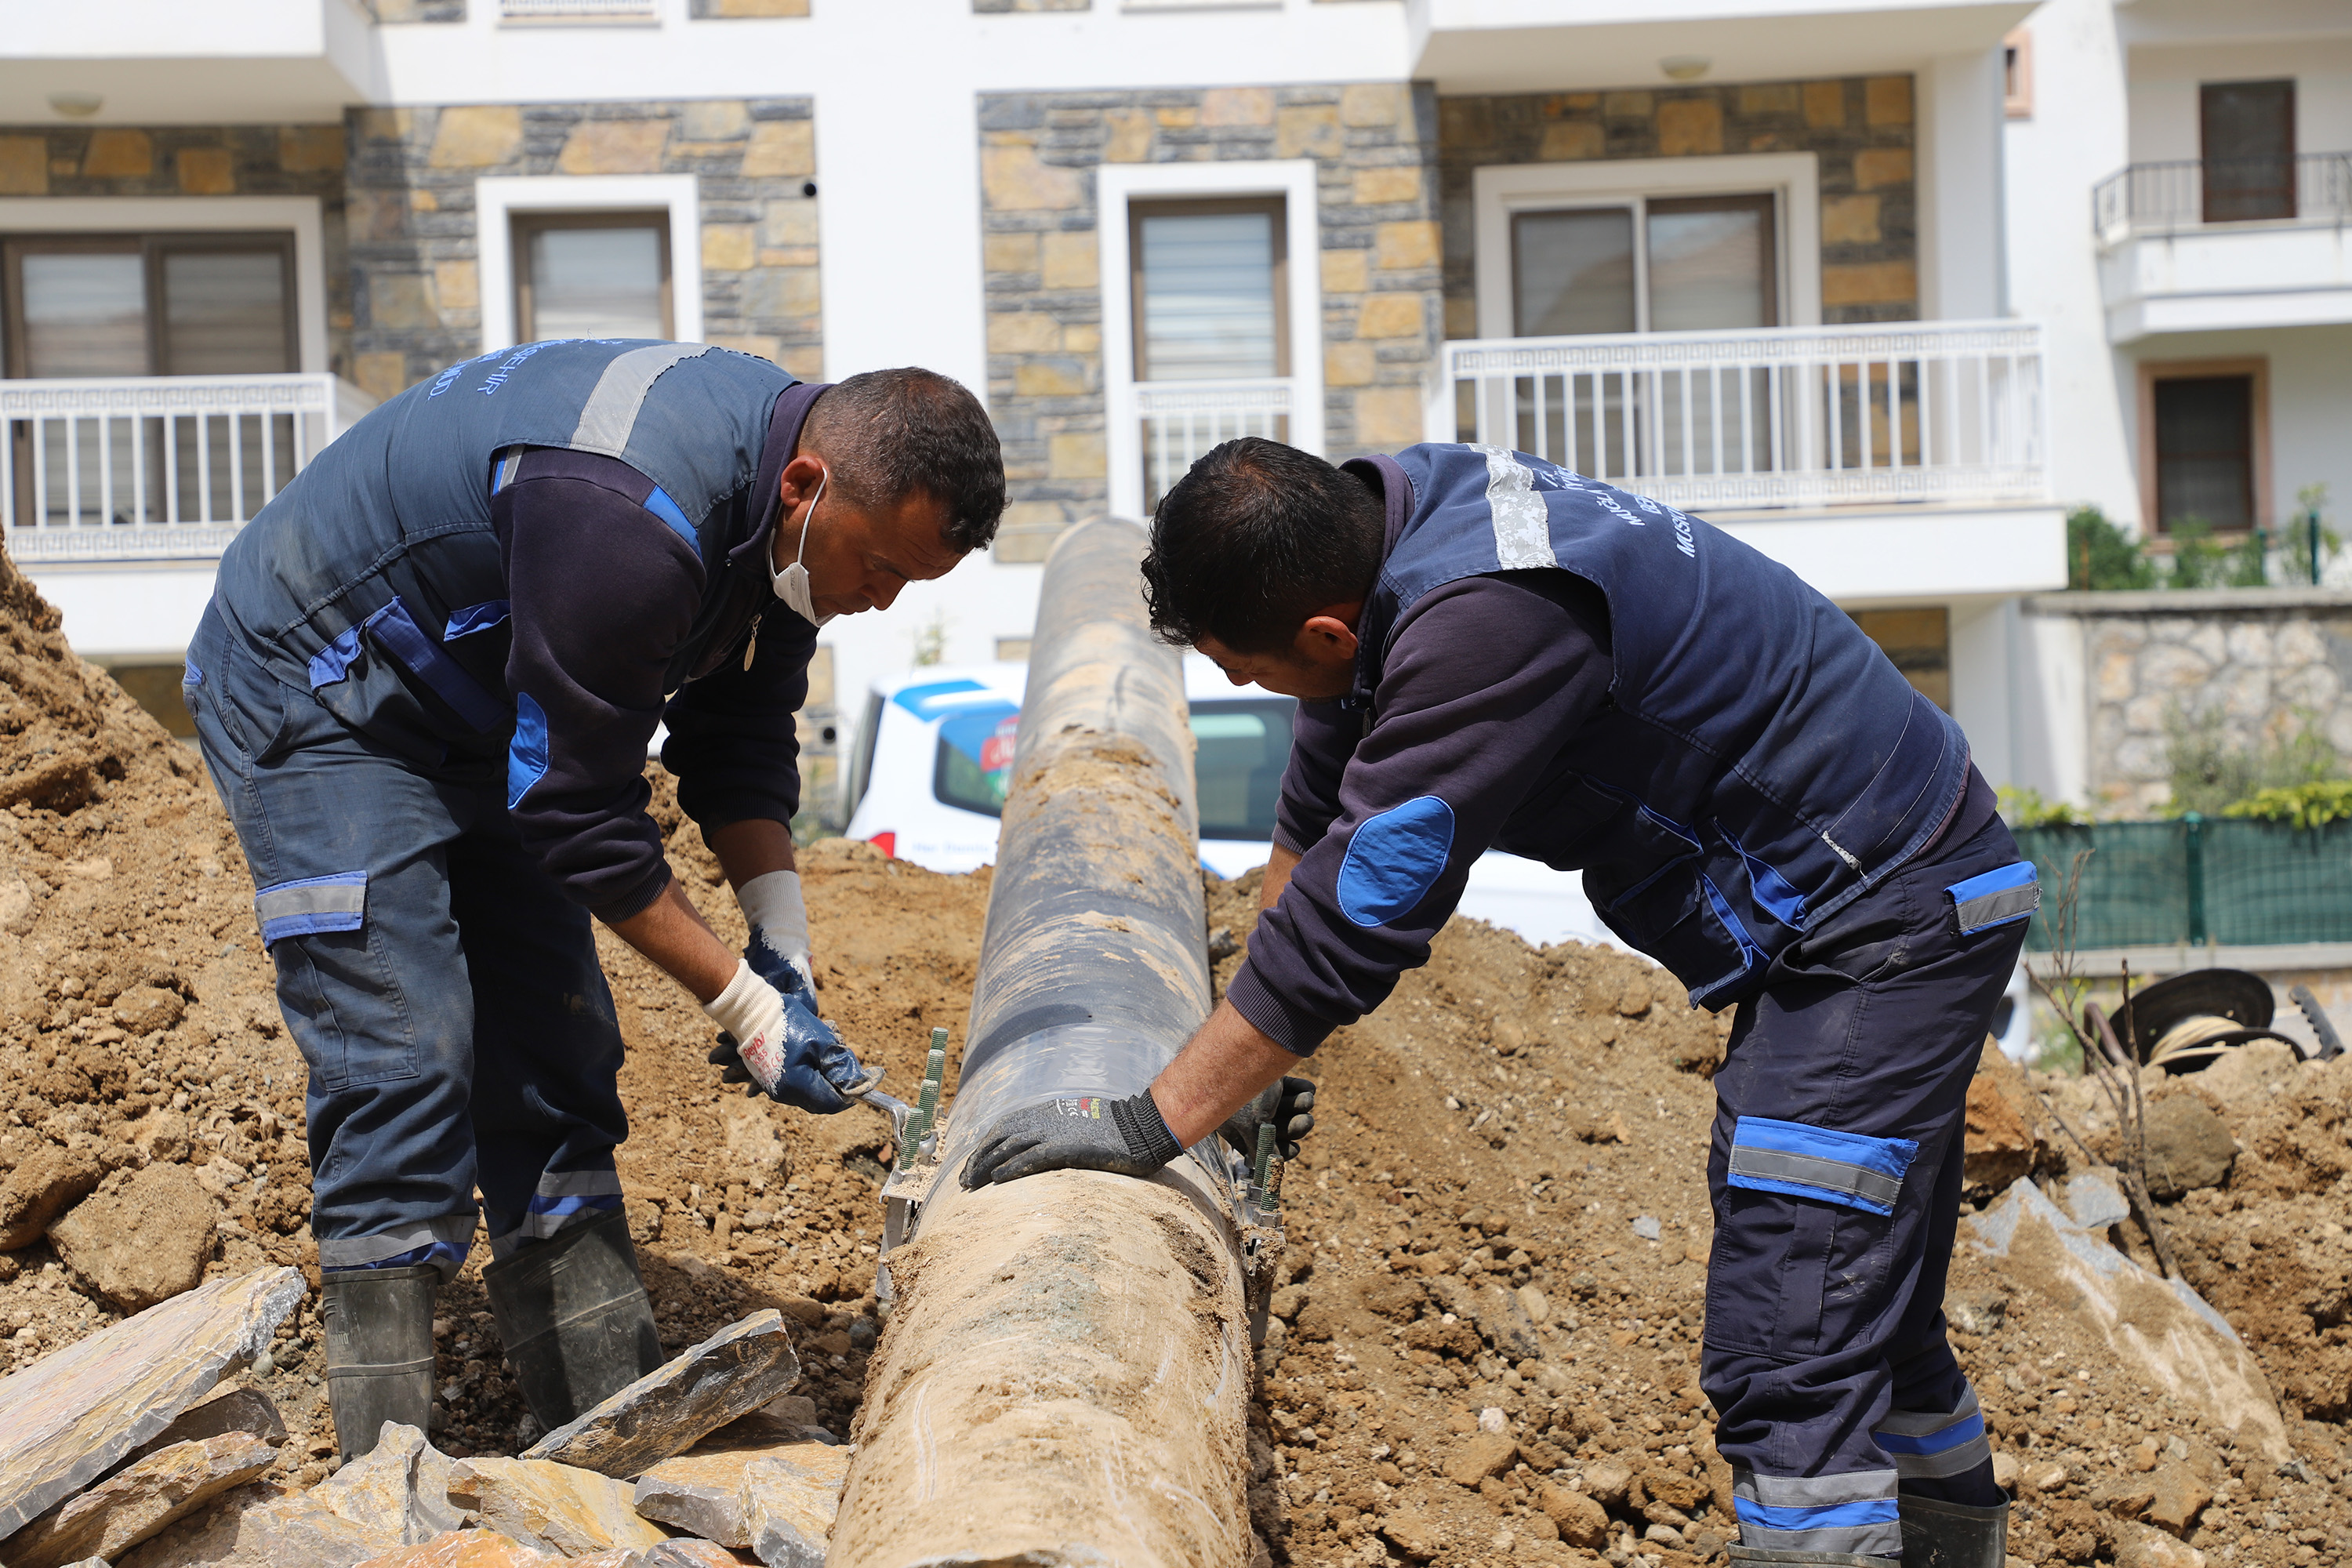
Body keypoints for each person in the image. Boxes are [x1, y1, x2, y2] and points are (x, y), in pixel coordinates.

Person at [961, 437, 2033, 1568]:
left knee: (1795, 1313)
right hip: (1872, 885)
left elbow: (1360, 914)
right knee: (1864, 1291)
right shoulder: (1388, 526)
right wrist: (1237, 1078)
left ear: (1325, 630)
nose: (1253, 694)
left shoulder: (1486, 623)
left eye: (1251, 673)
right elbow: (1321, 805)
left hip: (1885, 908)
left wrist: (1151, 1119)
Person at [186, 343, 1004, 1460]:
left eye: (910, 582)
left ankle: (605, 1437)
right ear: (808, 486)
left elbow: (742, 737)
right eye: (880, 567)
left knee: (554, 1048)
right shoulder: (625, 511)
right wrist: (745, 1012)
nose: (880, 599)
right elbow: (576, 814)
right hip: (324, 694)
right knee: (405, 1053)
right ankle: (385, 1483)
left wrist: (782, 947)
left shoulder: (792, 530)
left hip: (479, 714)